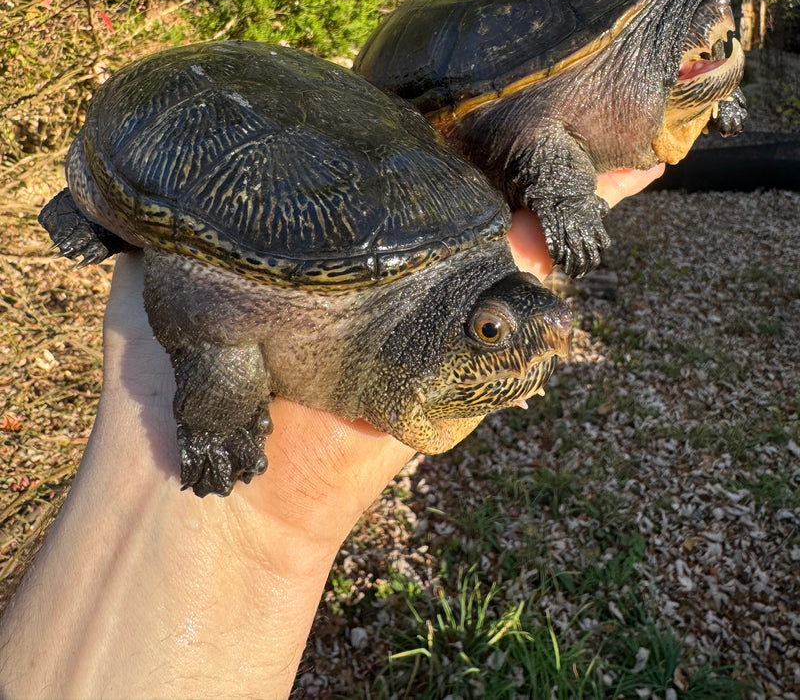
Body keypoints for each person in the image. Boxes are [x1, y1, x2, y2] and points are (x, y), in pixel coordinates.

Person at [0, 166, 663, 699]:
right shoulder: (318, 296)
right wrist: (211, 409)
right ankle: (94, 191)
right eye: (488, 331)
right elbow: (194, 289)